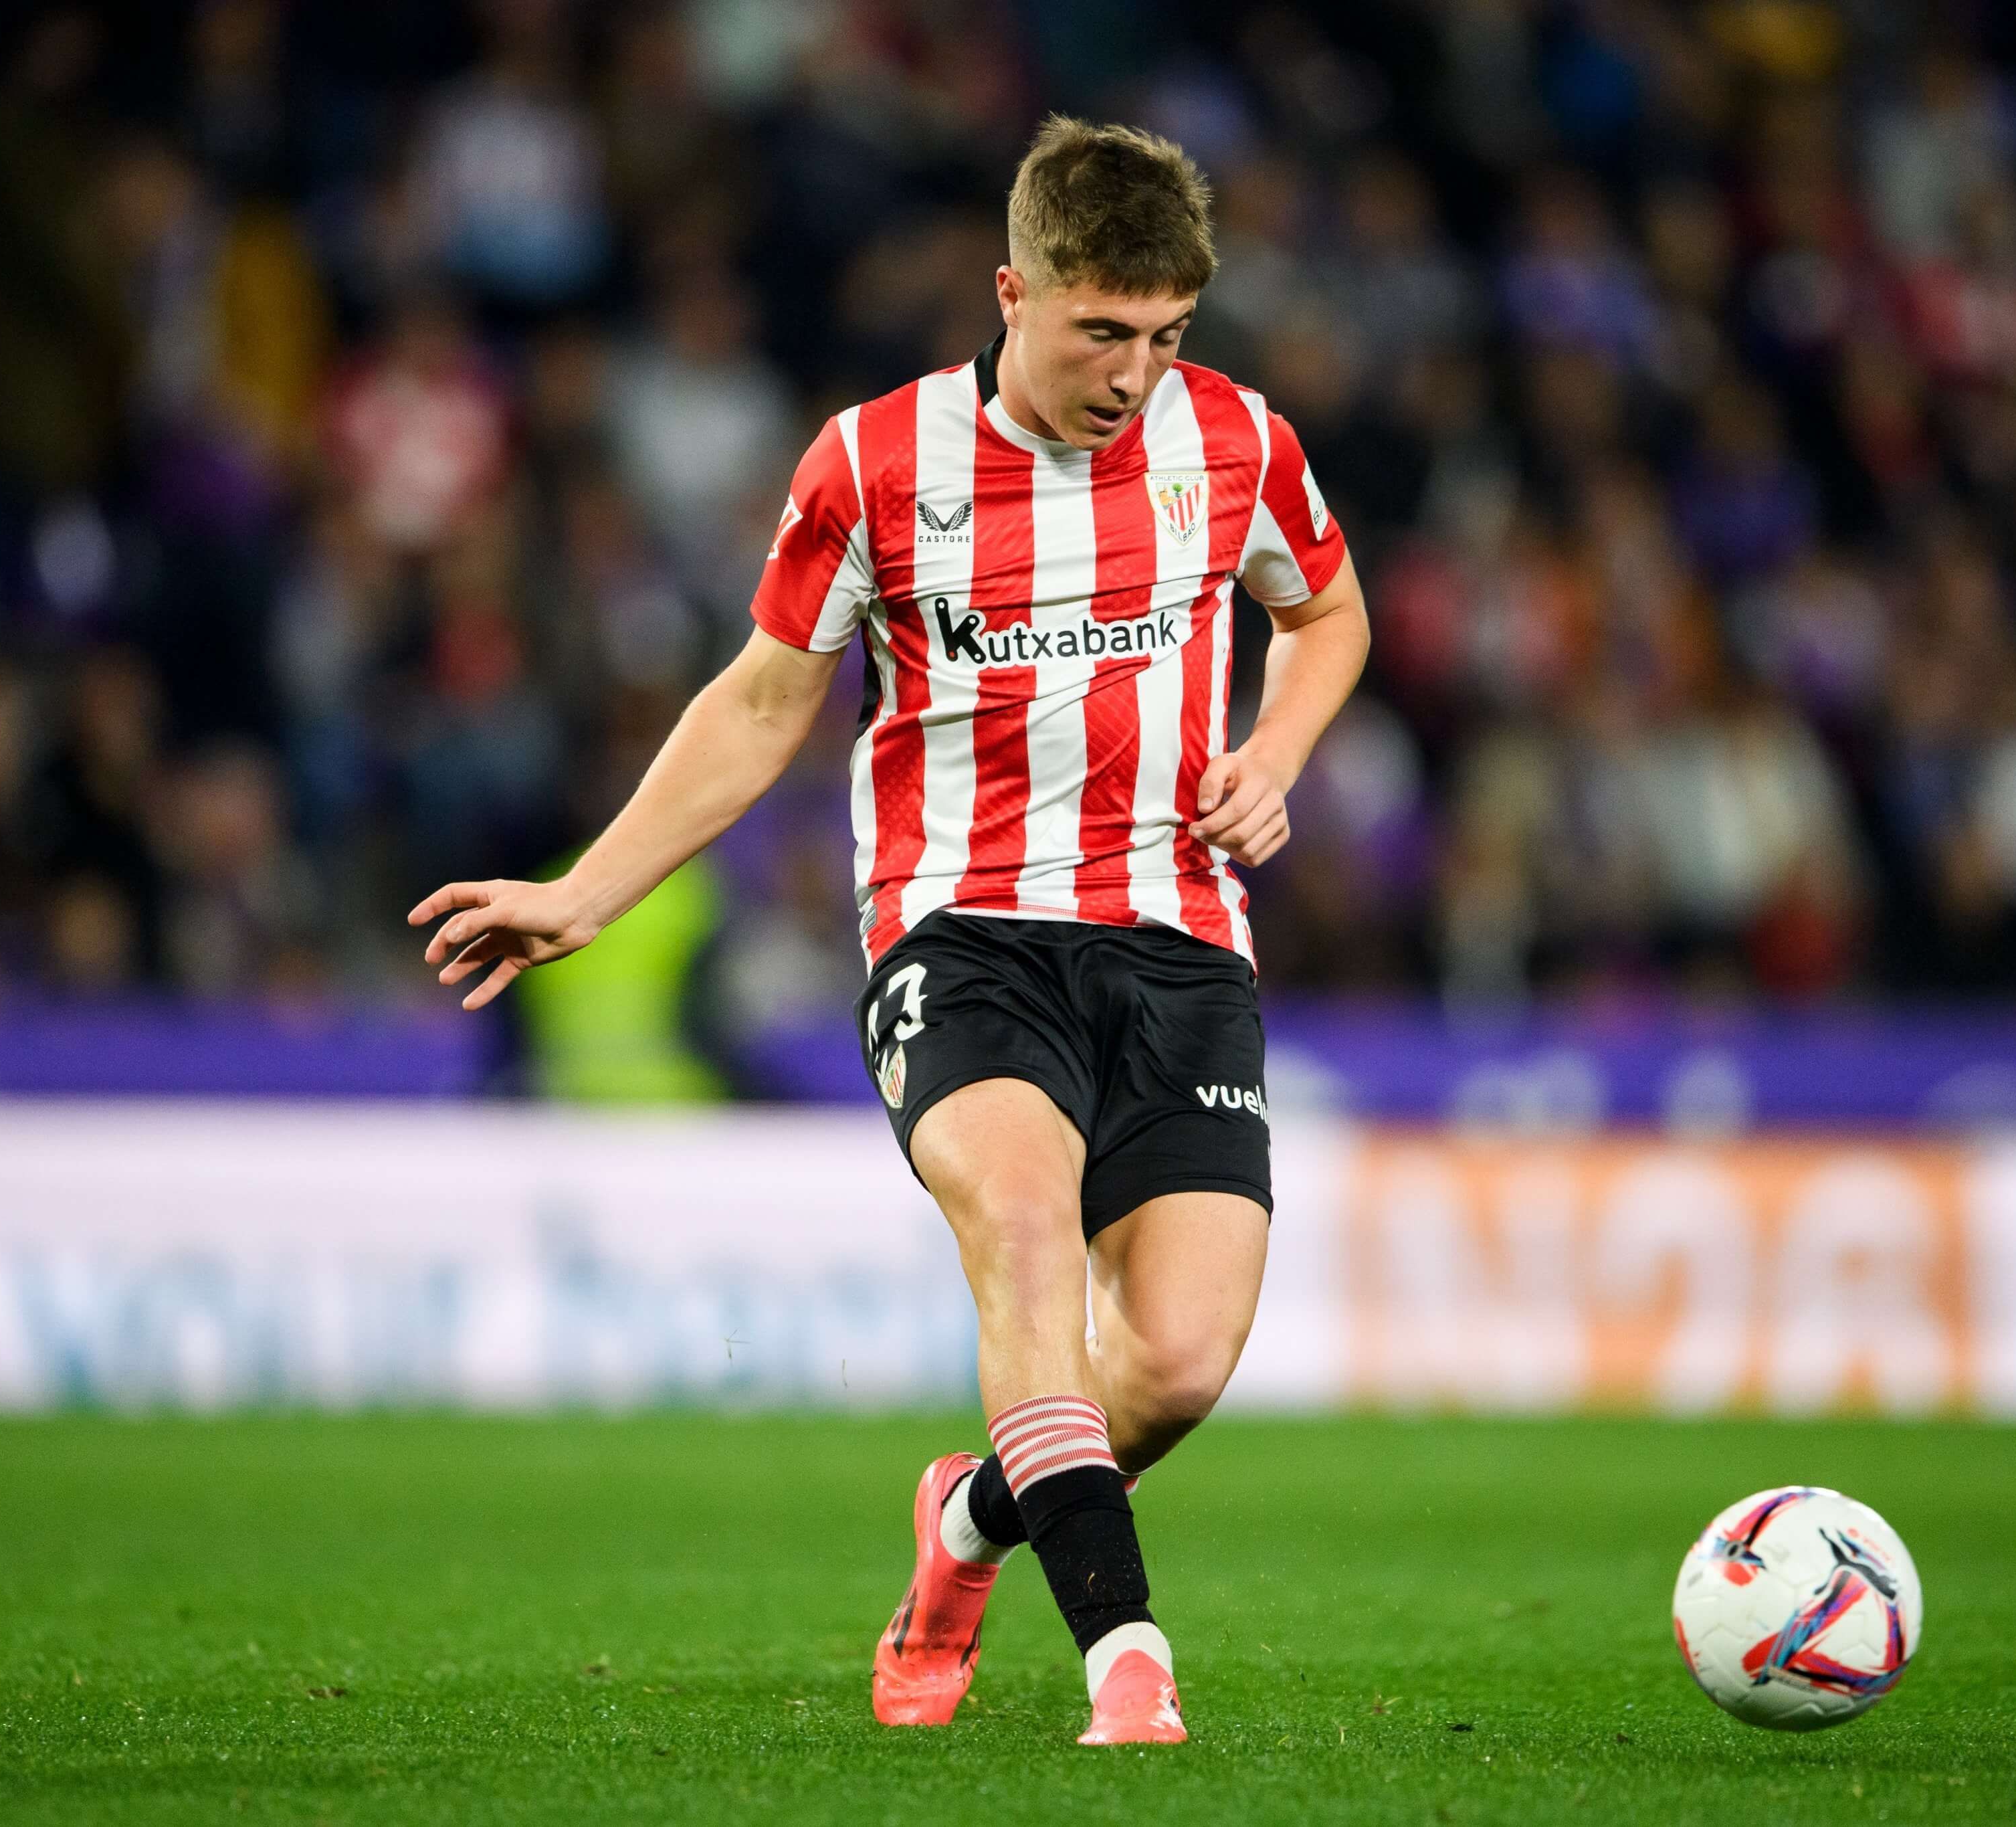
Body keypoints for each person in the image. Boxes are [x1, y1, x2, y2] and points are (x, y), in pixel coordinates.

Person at [409, 117, 1368, 1746]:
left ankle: (968, 1523)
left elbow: (1325, 607)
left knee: (1183, 1360)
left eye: (1163, 337)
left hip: (1176, 938)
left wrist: (1270, 754)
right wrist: (584, 888)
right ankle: (1126, 1665)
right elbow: (764, 696)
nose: (1131, 374)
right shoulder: (874, 464)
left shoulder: (1238, 445)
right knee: (1020, 1237)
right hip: (960, 935)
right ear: (1011, 291)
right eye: (1098, 333)